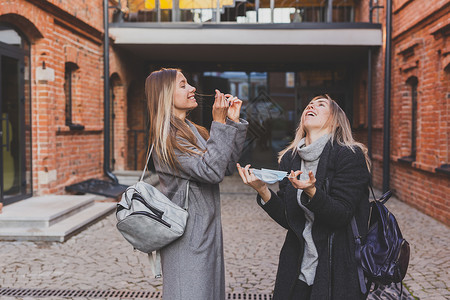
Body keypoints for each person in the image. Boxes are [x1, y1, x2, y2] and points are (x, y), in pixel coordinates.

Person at [237, 95, 371, 300]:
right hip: (297, 264)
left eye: (321, 104)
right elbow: (289, 219)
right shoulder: (290, 158)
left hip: (336, 266)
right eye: (310, 103)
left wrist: (312, 192)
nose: (311, 105)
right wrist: (262, 190)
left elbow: (341, 214)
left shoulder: (349, 155)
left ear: (335, 121)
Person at [145, 68, 248, 300]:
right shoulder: (168, 137)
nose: (192, 88)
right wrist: (219, 123)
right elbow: (211, 172)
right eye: (183, 85)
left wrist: (232, 123)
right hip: (187, 239)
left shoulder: (192, 130)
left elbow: (225, 166)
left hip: (204, 233)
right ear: (165, 95)